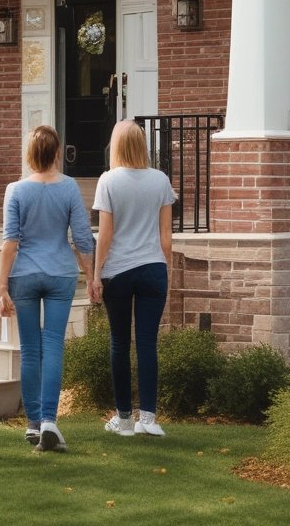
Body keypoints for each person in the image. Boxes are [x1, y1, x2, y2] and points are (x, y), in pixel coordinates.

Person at [0, 125, 95, 453]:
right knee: (53, 345)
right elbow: (82, 238)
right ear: (56, 153)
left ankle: (34, 424)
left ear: (29, 155)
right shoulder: (69, 188)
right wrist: (91, 275)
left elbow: (10, 241)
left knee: (30, 349)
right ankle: (50, 420)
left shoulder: (16, 190)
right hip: (60, 274)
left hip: (23, 275)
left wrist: (1, 285)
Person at [92, 119, 176, 438]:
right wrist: (163, 268)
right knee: (147, 342)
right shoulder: (160, 180)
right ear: (142, 145)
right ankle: (150, 419)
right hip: (153, 269)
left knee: (119, 343)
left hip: (119, 271)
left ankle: (125, 420)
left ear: (116, 146)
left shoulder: (108, 181)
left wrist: (97, 274)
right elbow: (166, 236)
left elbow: (106, 234)